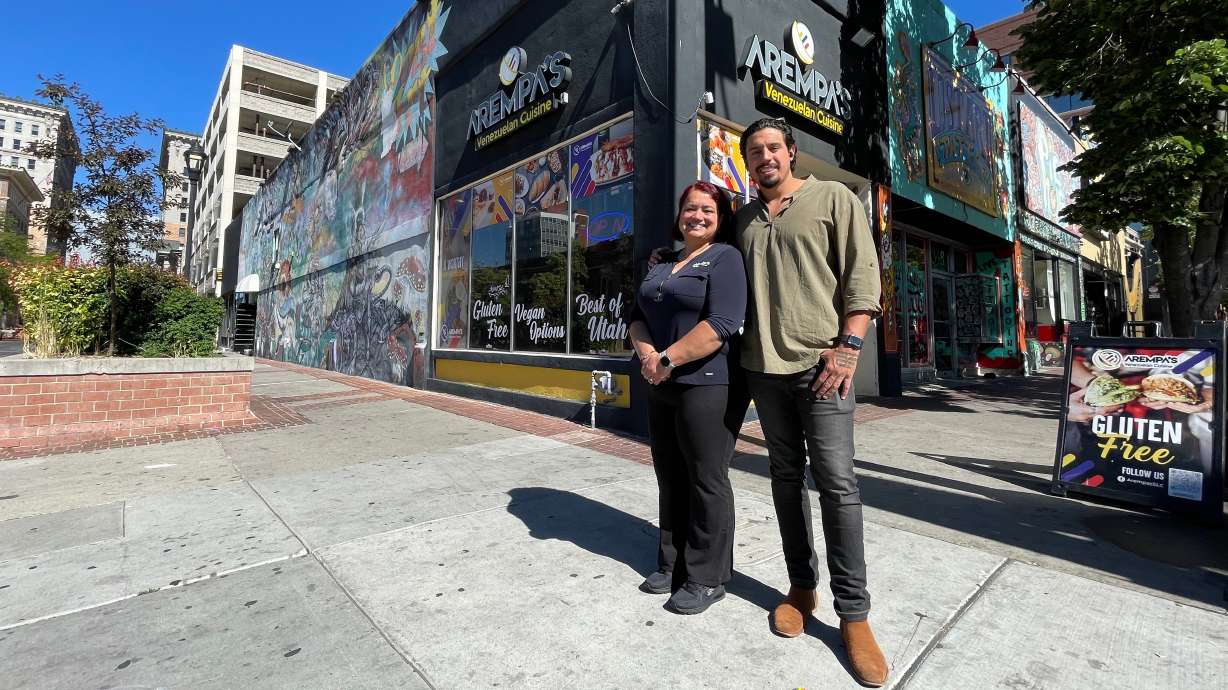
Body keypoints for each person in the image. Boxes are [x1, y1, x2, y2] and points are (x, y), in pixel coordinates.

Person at [737, 118, 887, 686]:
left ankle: (856, 615)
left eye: (773, 147)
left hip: (824, 368)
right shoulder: (744, 220)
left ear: (791, 153)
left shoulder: (834, 198)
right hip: (763, 371)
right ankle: (801, 587)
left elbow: (862, 279)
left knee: (837, 483)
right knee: (783, 477)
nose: (765, 157)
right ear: (747, 161)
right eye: (755, 151)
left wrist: (848, 348)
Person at [628, 181, 748, 615]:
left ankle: (707, 576)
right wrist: (648, 358)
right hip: (660, 383)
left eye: (707, 210)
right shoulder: (663, 262)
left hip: (707, 383)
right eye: (690, 208)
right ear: (679, 215)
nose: (697, 216)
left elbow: (722, 322)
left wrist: (666, 359)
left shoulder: (726, 258)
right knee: (669, 475)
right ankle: (671, 561)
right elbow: (637, 317)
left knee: (706, 479)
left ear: (720, 219)